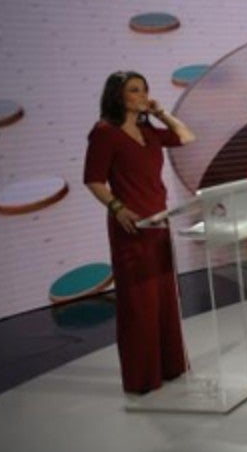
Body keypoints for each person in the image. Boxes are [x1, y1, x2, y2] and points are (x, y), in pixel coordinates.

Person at [83, 71, 196, 394]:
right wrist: (117, 208)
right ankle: (142, 378)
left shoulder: (149, 130)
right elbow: (93, 179)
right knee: (139, 304)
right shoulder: (104, 133)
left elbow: (187, 136)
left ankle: (171, 366)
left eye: (145, 89)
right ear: (118, 96)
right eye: (135, 90)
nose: (142, 94)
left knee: (164, 298)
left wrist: (160, 112)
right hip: (131, 227)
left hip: (159, 223)